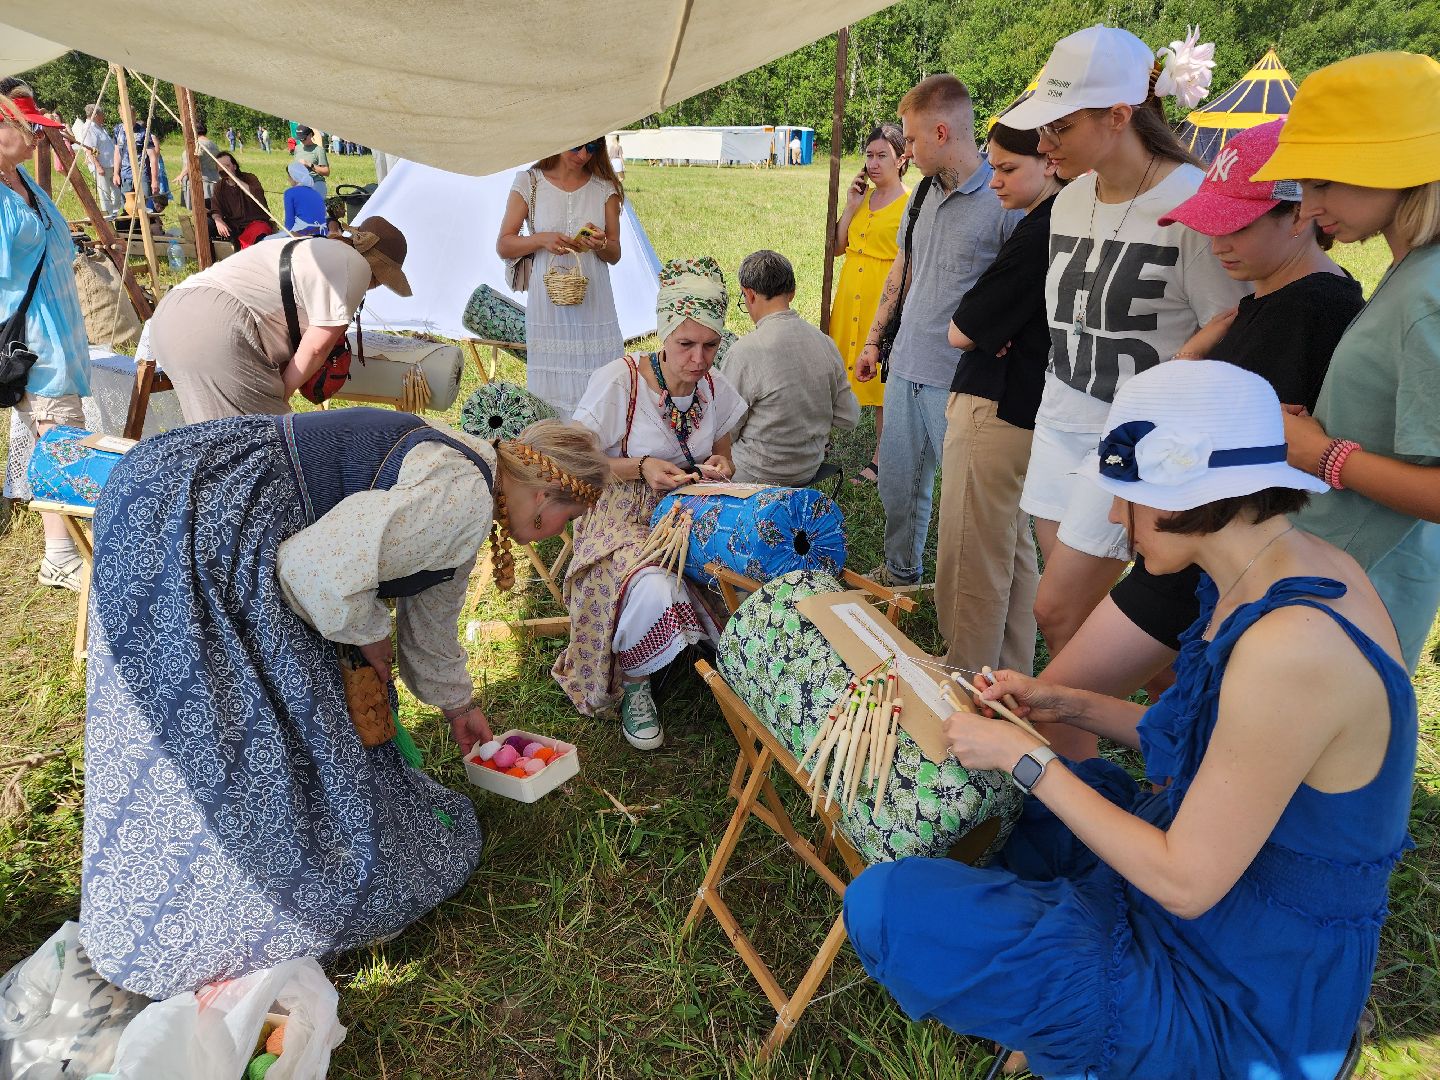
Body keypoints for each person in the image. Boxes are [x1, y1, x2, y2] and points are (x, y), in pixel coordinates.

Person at [845, 359, 1415, 1080]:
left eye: (1130, 497)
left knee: (889, 906)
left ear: (1195, 493)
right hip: (1215, 891)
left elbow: (1187, 882)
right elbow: (1210, 743)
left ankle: (1122, 1040)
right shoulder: (1275, 570)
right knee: (995, 820)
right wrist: (1062, 704)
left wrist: (1026, 759)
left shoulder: (1293, 647)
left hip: (1247, 984)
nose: (1117, 518)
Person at [79, 406, 610, 999]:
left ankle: (189, 892)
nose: (562, 533)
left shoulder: (474, 482)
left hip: (175, 489)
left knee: (220, 719)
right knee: (220, 724)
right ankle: (227, 910)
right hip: (196, 513)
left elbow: (429, 618)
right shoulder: (464, 495)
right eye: (569, 517)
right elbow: (312, 570)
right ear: (545, 492)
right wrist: (366, 629)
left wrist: (458, 706)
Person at [1045, 117, 1365, 702]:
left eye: (1234, 227)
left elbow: (1225, 452)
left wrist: (1184, 372)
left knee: (1064, 698)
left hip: (1209, 555)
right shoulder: (1262, 301)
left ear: (1299, 215)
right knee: (1140, 705)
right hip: (1195, 548)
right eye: (1209, 224)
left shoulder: (1311, 312)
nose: (1217, 245)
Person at [1000, 26, 1246, 729]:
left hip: (1135, 439)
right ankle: (1178, 741)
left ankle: (1082, 771)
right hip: (1060, 420)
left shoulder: (1193, 202)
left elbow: (1230, 320)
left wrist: (1162, 386)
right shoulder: (1068, 199)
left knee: (1058, 606)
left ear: (1119, 115)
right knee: (1080, 621)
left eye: (1060, 124)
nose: (1044, 141)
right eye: (1041, 125)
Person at [1255, 51, 1440, 673]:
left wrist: (1323, 454)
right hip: (1341, 570)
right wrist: (1321, 429)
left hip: (1365, 590)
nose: (1306, 208)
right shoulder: (1411, 270)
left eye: (1323, 181)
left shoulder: (1428, 294)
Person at [554, 257, 746, 749]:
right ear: (663, 334)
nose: (699, 359)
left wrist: (722, 466)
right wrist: (639, 467)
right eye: (686, 344)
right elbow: (578, 459)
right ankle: (635, 680)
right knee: (656, 584)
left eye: (710, 345)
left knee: (750, 561)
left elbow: (722, 447)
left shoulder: (714, 387)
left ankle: (742, 662)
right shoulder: (620, 382)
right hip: (619, 509)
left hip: (691, 506)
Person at [853, 75, 1020, 588]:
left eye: (911, 138)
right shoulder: (922, 193)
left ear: (942, 133)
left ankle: (967, 591)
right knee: (898, 486)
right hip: (904, 365)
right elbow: (900, 270)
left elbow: (1022, 289)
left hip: (964, 380)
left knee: (966, 498)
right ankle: (903, 573)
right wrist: (874, 340)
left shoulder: (1004, 198)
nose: (904, 151)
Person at [935, 120, 1064, 678]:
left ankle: (968, 685)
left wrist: (985, 322)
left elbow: (961, 328)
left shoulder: (1040, 231)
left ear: (1050, 161)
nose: (995, 182)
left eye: (1008, 168)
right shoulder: (1072, 222)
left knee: (970, 560)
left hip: (995, 404)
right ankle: (1010, 679)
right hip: (1028, 407)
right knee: (1010, 552)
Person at [150, 215, 410, 422]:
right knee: (267, 445)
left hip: (172, 312)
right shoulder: (357, 267)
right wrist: (282, 395)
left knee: (217, 442)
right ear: (379, 270)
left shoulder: (314, 247)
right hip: (217, 326)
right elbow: (317, 346)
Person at [0, 92, 93, 590]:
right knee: (61, 441)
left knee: (52, 439)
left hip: (58, 332)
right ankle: (61, 553)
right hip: (32, 342)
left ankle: (61, 546)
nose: (38, 133)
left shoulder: (23, 180)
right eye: (26, 124)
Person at [496, 137, 624, 419]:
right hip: (548, 302)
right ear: (559, 139)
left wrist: (600, 244)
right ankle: (556, 451)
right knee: (551, 387)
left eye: (592, 149)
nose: (583, 155)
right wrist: (541, 239)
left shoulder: (605, 188)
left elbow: (615, 254)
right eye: (576, 147)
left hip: (593, 298)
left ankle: (599, 452)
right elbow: (504, 244)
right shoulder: (529, 182)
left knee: (599, 382)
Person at [722, 249, 858, 486]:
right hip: (807, 468)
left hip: (754, 474)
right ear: (792, 293)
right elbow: (849, 416)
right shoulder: (824, 342)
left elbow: (725, 429)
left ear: (749, 294)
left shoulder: (744, 352)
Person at [828, 123, 909, 485]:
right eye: (870, 155)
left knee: (880, 386)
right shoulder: (862, 199)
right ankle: (822, 441)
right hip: (849, 295)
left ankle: (881, 458)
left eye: (882, 156)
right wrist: (851, 206)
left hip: (880, 297)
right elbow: (837, 246)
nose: (874, 164)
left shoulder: (909, 204)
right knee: (837, 367)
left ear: (901, 159)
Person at [208, 150, 274, 248]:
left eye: (227, 166)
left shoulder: (250, 178)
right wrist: (218, 220)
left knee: (258, 232)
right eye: (220, 167)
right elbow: (215, 207)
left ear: (234, 166)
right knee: (208, 225)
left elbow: (254, 194)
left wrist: (234, 178)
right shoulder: (219, 186)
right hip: (234, 225)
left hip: (254, 223)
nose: (224, 169)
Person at [113, 117, 169, 215]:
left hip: (144, 171)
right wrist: (116, 173)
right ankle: (131, 227)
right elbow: (117, 153)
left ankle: (149, 223)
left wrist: (154, 179)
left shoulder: (147, 136)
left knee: (146, 201)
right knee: (128, 204)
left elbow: (155, 154)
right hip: (127, 173)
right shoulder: (119, 131)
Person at [74, 104, 120, 218]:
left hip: (110, 165)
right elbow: (90, 149)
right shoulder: (88, 128)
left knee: (117, 192)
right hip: (102, 166)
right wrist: (98, 165)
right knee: (105, 192)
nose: (103, 116)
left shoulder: (99, 127)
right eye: (101, 114)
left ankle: (114, 211)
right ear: (95, 115)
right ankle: (108, 215)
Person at [177, 121, 221, 211]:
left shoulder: (197, 145)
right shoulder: (213, 145)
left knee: (201, 212)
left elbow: (192, 163)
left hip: (200, 183)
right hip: (213, 181)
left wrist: (181, 175)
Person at [283, 160, 328, 237]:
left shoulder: (289, 193)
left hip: (302, 232)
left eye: (289, 176)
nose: (288, 179)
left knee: (267, 240)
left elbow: (289, 223)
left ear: (294, 176)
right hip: (323, 232)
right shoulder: (316, 193)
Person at [293, 125, 330, 198]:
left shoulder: (319, 150)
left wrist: (309, 164)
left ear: (310, 135)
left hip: (316, 183)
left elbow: (326, 172)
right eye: (300, 139)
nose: (302, 141)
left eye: (304, 138)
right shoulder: (297, 148)